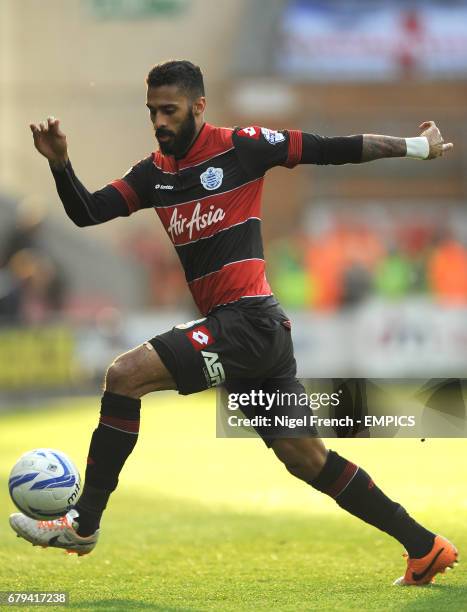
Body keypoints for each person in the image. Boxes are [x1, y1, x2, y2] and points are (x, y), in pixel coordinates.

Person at [10, 60, 457, 586]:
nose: (159, 121)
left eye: (169, 110)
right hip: (251, 334)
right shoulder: (152, 173)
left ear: (199, 106)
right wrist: (61, 165)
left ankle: (83, 522)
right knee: (306, 458)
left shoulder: (242, 146)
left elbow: (329, 147)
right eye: (152, 111)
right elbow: (87, 212)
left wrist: (416, 147)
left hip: (249, 322)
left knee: (125, 375)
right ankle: (424, 546)